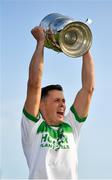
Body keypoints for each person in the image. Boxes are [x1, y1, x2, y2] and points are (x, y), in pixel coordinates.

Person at [21, 26, 95, 179]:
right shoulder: (33, 127)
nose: (63, 104)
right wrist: (41, 42)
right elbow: (34, 83)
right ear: (41, 105)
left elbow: (88, 88)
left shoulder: (71, 125)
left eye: (63, 101)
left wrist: (84, 46)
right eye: (56, 100)